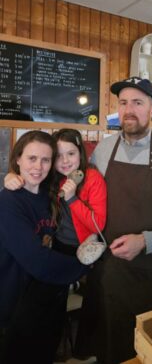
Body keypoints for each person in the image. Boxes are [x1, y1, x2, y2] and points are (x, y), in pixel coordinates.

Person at [75, 77, 152, 363]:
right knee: (107, 349)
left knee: (145, 353)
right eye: (123, 102)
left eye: (137, 102)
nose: (129, 110)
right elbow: (82, 191)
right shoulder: (104, 150)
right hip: (109, 274)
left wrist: (145, 241)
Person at [0, 131, 88, 363]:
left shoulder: (50, 194)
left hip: (49, 300)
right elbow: (37, 260)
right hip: (14, 305)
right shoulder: (8, 202)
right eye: (31, 158)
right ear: (17, 158)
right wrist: (85, 266)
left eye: (46, 159)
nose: (38, 166)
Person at [4, 129, 108, 255]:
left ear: (80, 154)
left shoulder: (93, 179)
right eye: (58, 155)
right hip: (55, 243)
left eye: (71, 153)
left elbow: (98, 225)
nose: (65, 161)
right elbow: (29, 177)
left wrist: (72, 199)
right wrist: (11, 176)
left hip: (82, 247)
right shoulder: (53, 177)